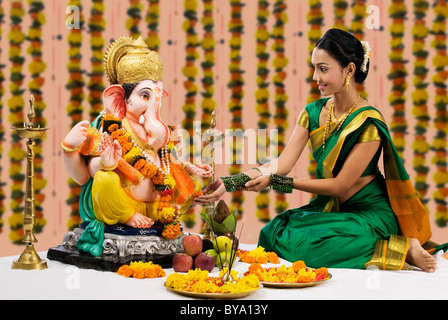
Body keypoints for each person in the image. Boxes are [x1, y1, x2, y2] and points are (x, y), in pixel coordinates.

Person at [194, 29, 438, 272]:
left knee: (311, 245)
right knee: (274, 232)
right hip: (332, 211)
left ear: (349, 70)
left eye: (323, 69)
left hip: (369, 215)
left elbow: (340, 186)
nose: (315, 77)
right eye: (314, 68)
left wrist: (278, 183)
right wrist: (231, 182)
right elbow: (283, 163)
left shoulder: (368, 122)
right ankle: (386, 249)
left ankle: (403, 249)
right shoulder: (312, 112)